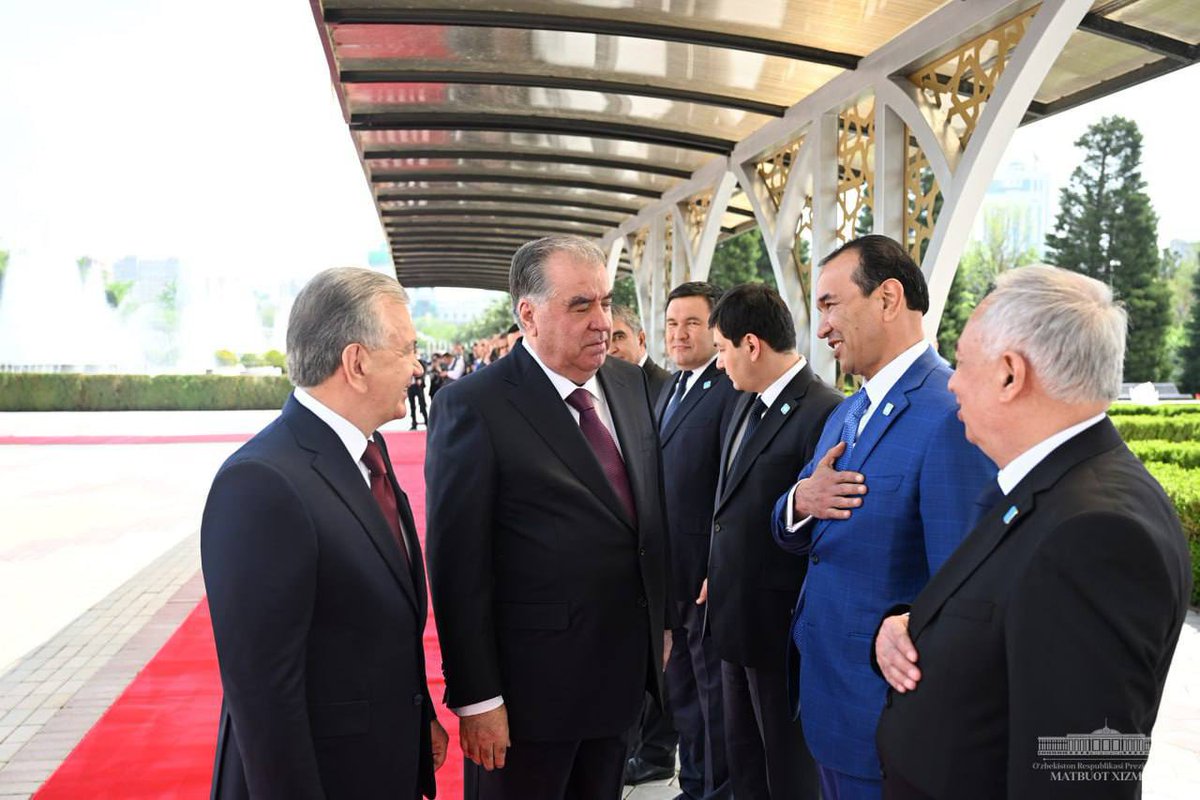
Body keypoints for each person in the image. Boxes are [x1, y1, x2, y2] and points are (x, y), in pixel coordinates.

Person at [873, 265, 1192, 799]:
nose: (951, 381)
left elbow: (1085, 773)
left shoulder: (1098, 535)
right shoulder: (1053, 485)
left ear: (1009, 375)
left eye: (963, 363)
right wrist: (906, 627)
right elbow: (1001, 616)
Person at [425, 235, 674, 800]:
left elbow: (647, 516)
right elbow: (457, 567)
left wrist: (661, 622)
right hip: (525, 705)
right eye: (581, 305)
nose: (603, 322)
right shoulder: (474, 406)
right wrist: (479, 699)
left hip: (618, 689)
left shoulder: (630, 386)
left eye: (607, 302)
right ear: (529, 314)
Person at [201, 267, 447, 799]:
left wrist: (417, 715)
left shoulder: (366, 451)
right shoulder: (261, 482)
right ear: (357, 363)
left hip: (379, 764)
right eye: (406, 350)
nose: (417, 366)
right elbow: (264, 695)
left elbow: (379, 621)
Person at [771, 234, 994, 799]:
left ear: (888, 298)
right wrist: (800, 502)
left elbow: (962, 595)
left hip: (886, 722)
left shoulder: (949, 415)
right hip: (827, 702)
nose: (820, 328)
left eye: (828, 304)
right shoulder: (848, 411)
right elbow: (808, 530)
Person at [706, 283, 842, 799]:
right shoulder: (746, 403)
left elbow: (824, 525)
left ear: (752, 345)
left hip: (780, 628)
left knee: (786, 770)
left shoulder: (823, 410)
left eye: (721, 349)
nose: (719, 364)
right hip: (734, 618)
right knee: (744, 763)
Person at [644, 281, 741, 799]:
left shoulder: (727, 389)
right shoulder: (670, 387)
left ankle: (718, 789)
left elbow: (730, 486)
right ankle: (696, 781)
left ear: (716, 329)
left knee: (713, 695)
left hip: (705, 574)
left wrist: (715, 563)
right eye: (671, 323)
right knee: (681, 689)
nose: (679, 334)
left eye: (692, 323)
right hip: (669, 574)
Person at [610, 304, 672, 402]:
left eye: (619, 337)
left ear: (640, 339)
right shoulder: (606, 390)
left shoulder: (668, 387)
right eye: (604, 340)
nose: (611, 350)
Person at [408, 355, 428, 430]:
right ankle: (414, 423)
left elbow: (424, 371)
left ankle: (427, 422)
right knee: (412, 406)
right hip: (410, 386)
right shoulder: (407, 362)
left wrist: (420, 379)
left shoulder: (420, 362)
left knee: (422, 404)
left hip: (418, 386)